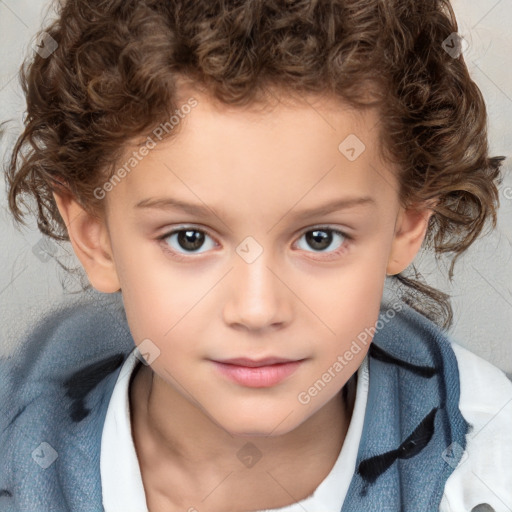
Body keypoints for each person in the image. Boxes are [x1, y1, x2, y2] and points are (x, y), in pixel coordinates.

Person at [1, 0, 511, 511]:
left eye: (320, 238)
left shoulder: (488, 470)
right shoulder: (16, 448)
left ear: (407, 223)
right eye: (190, 239)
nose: (257, 309)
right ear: (95, 236)